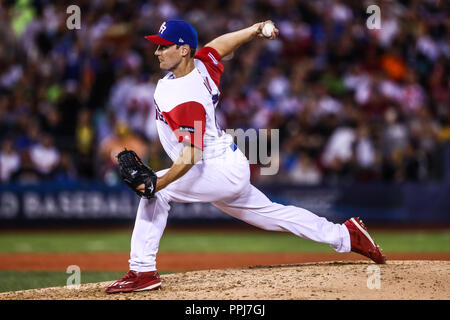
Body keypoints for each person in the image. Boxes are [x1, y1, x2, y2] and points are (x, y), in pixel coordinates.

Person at [105, 20, 386, 294]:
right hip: (224, 164)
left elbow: (192, 154)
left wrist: (157, 184)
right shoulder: (202, 67)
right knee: (272, 214)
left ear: (183, 50)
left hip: (214, 169)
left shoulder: (187, 98)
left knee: (157, 193)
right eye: (157, 46)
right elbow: (218, 46)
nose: (157, 52)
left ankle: (141, 271)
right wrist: (254, 30)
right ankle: (345, 235)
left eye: (164, 46)